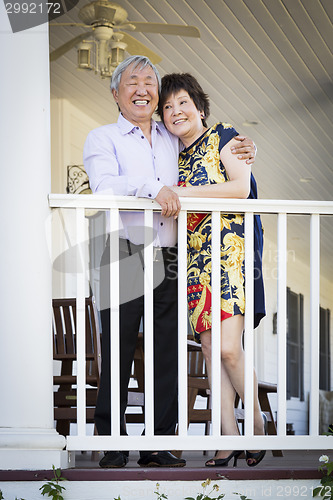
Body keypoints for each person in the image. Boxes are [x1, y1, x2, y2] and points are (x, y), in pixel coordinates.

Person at [83, 55, 257, 468]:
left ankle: (158, 443)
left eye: (149, 81)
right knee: (118, 350)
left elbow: (209, 144)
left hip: (173, 254)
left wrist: (243, 145)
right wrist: (153, 187)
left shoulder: (170, 134)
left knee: (166, 352)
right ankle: (112, 443)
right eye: (132, 81)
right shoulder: (103, 137)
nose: (142, 88)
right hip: (125, 249)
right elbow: (105, 187)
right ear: (116, 93)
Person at [157, 72, 266, 467]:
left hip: (229, 254)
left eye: (182, 102)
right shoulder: (172, 156)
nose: (175, 111)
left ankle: (256, 425)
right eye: (167, 107)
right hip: (194, 260)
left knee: (226, 348)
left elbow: (240, 188)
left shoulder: (224, 136)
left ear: (200, 108)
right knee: (208, 350)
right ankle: (227, 438)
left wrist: (182, 194)